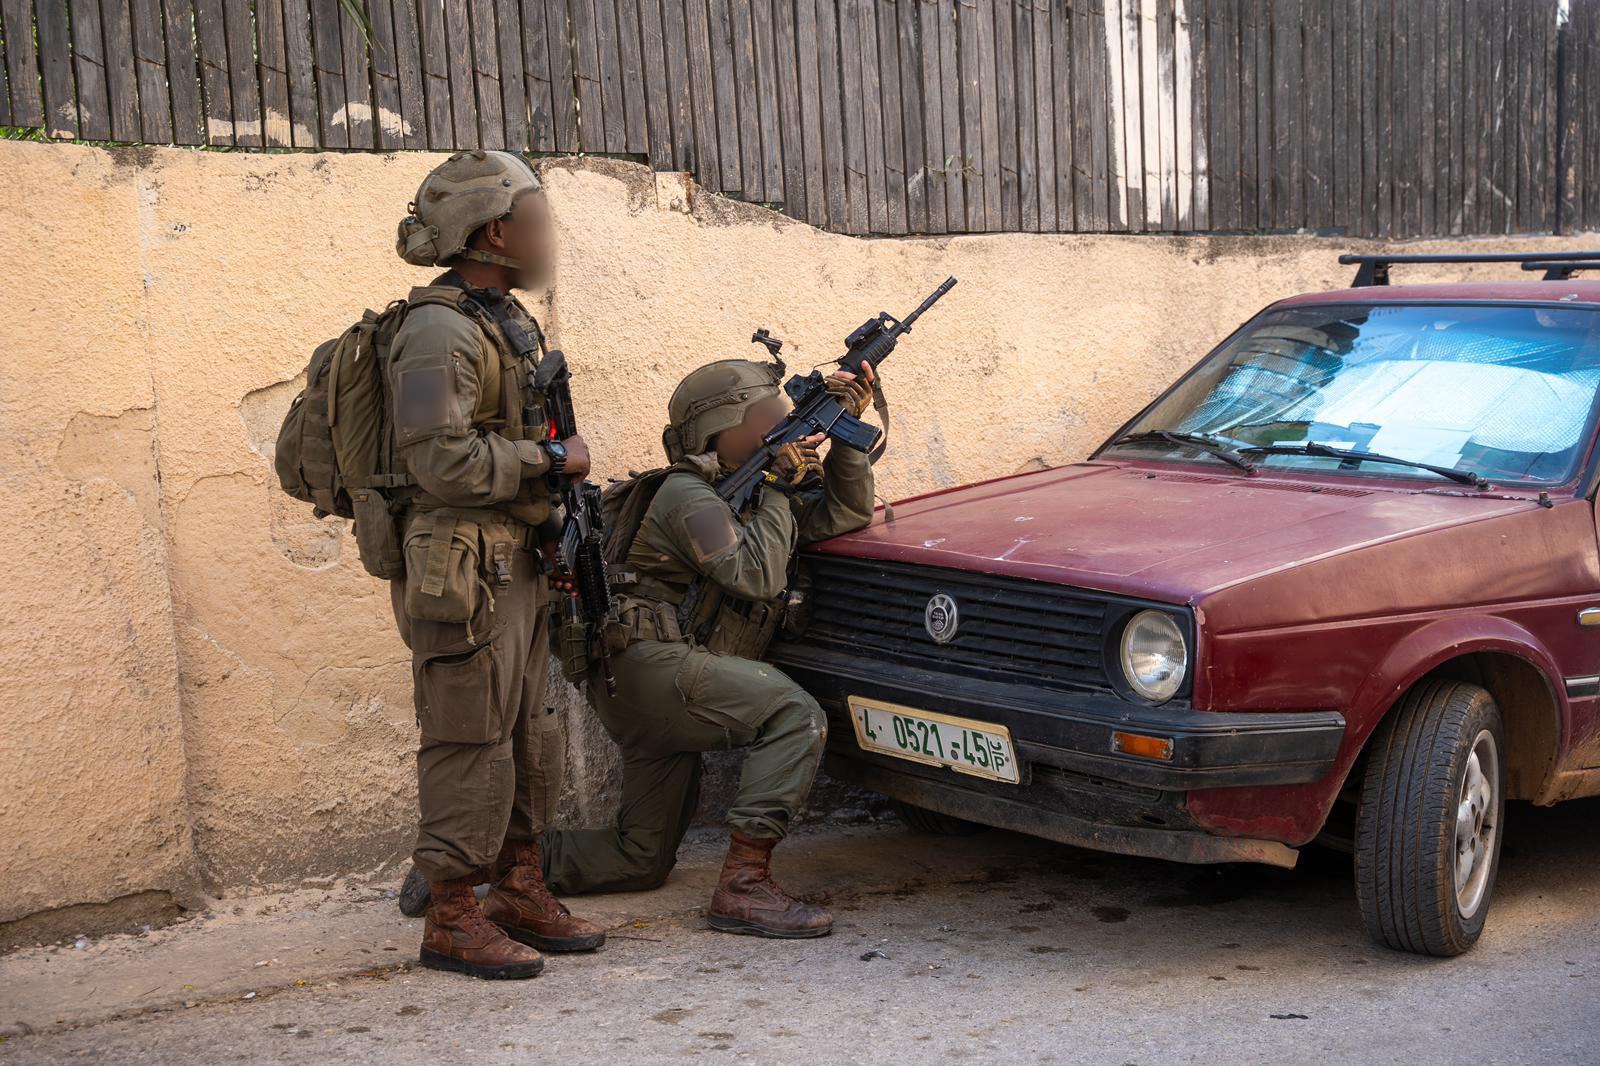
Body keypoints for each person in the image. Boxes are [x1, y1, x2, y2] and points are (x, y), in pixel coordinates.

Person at [538, 358, 879, 938]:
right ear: (720, 428)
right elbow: (755, 575)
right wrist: (778, 489)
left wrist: (845, 431)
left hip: (665, 676)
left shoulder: (749, 491)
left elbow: (845, 514)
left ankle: (487, 865)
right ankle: (744, 886)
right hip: (647, 669)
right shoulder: (687, 493)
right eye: (765, 415)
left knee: (638, 858)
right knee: (793, 713)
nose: (780, 423)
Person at [388, 150, 603, 979]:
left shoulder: (503, 320)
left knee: (527, 732)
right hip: (462, 571)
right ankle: (450, 915)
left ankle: (518, 887)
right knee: (466, 737)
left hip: (515, 559)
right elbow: (439, 461)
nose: (549, 237)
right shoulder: (436, 333)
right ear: (494, 231)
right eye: (536, 220)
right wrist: (550, 462)